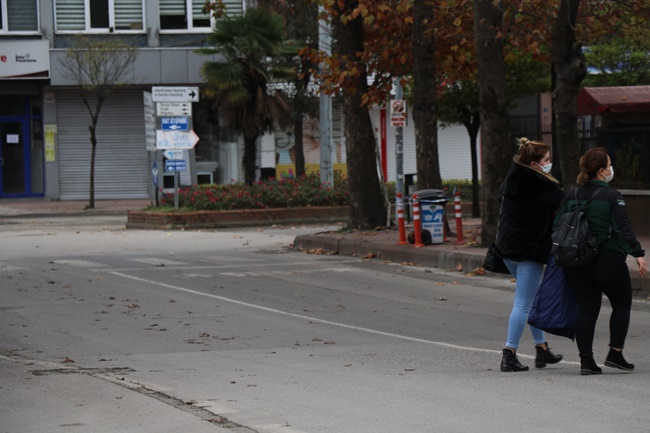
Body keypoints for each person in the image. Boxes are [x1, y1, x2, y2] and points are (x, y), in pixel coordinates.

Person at [556, 147, 647, 375]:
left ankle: (587, 361)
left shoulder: (572, 194)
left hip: (577, 261)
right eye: (609, 164)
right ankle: (615, 353)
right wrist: (638, 253)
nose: (611, 168)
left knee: (586, 310)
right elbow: (623, 228)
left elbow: (557, 225)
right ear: (601, 170)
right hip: (608, 259)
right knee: (622, 304)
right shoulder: (612, 196)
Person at [496, 137, 565, 372]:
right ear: (534, 164)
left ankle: (541, 348)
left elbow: (500, 199)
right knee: (523, 303)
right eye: (546, 160)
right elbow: (565, 204)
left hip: (507, 249)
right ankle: (509, 353)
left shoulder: (511, 179)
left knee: (532, 298)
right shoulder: (543, 186)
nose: (549, 163)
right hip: (529, 252)